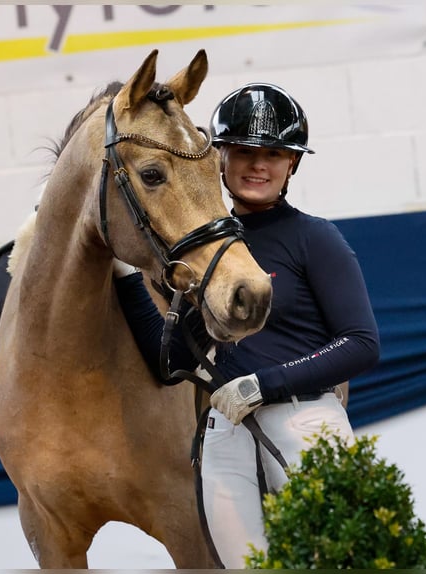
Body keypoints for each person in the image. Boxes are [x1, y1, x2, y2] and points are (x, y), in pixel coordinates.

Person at [113, 82, 380, 568]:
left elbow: (361, 344)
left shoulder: (314, 238)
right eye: (245, 150)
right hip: (224, 434)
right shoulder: (202, 251)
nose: (259, 164)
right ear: (219, 157)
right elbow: (171, 361)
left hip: (307, 421)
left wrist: (265, 384)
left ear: (292, 164)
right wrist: (127, 275)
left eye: (275, 153)